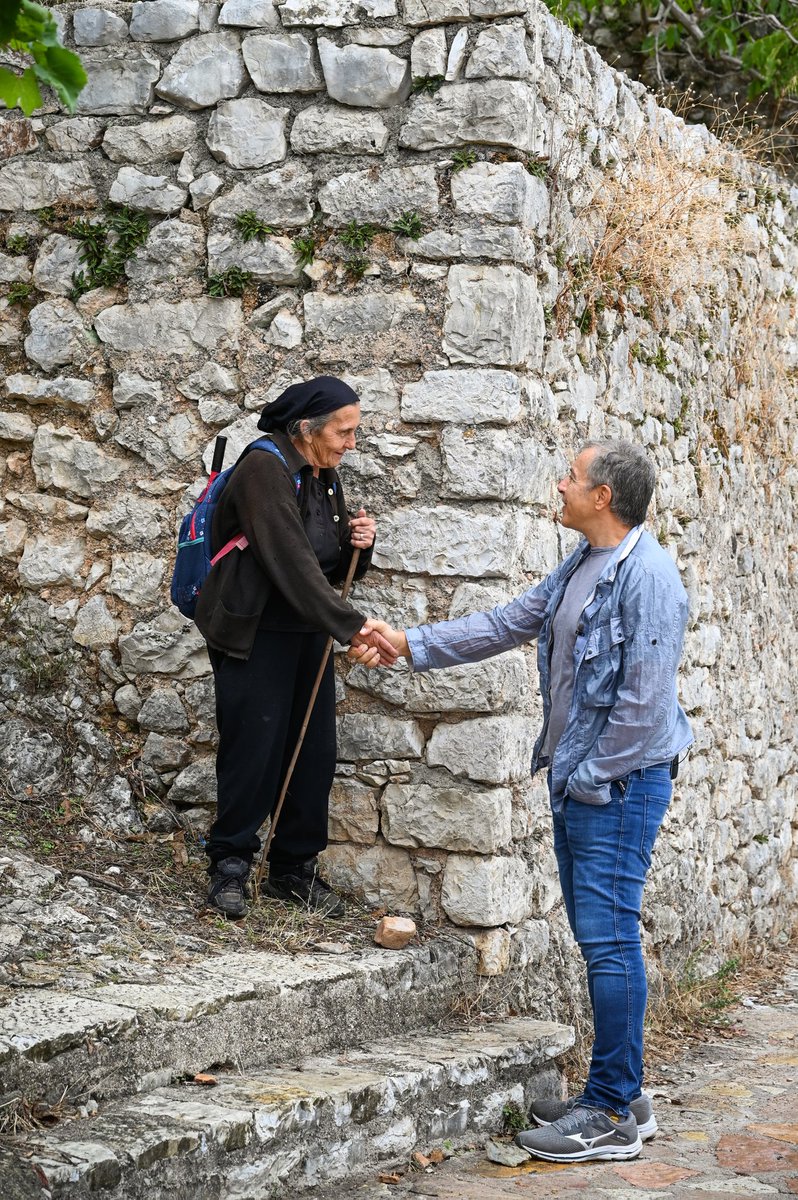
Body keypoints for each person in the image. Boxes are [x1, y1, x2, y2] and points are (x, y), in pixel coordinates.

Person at [353, 440, 693, 1163]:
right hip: (586, 782)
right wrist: (410, 642)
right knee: (603, 938)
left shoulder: (650, 575)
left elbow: (645, 703)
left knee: (608, 941)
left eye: (573, 474)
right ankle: (622, 1094)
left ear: (603, 496)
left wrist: (588, 778)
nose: (560, 483)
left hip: (616, 787)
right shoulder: (584, 565)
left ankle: (609, 1113)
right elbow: (507, 622)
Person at [195, 376, 395, 920]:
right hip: (254, 632)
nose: (351, 443)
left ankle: (292, 870)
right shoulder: (263, 469)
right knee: (253, 749)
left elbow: (325, 564)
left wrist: (363, 547)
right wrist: (352, 626)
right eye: (344, 431)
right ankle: (230, 864)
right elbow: (288, 562)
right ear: (307, 428)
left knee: (313, 755)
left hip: (304, 632)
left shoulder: (324, 477)